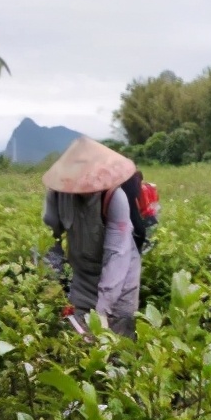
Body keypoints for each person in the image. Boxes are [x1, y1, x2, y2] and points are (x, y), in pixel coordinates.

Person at [41, 137, 141, 337]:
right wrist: (53, 284)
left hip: (120, 283)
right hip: (83, 278)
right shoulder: (58, 194)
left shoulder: (114, 198)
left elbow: (117, 256)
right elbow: (52, 240)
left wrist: (102, 311)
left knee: (117, 341)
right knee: (80, 340)